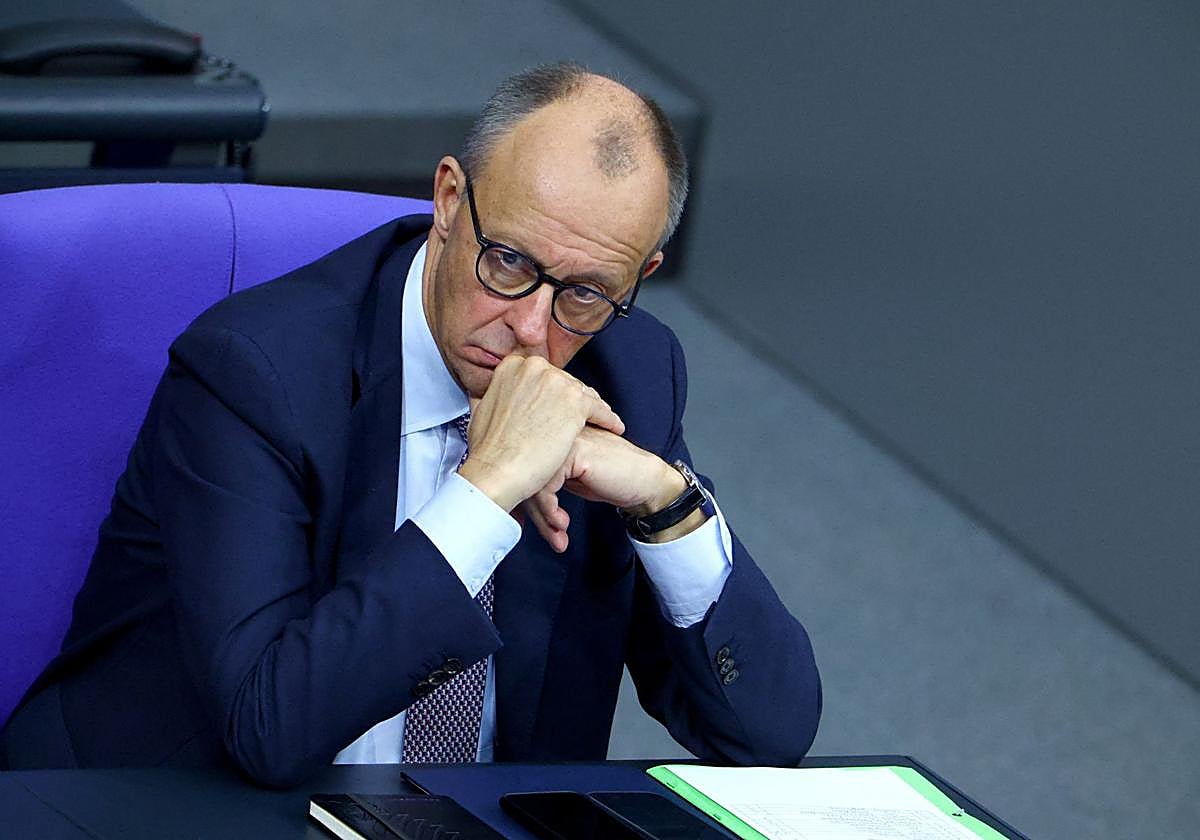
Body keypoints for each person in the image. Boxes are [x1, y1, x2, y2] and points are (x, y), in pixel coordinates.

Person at [1, 63, 820, 787]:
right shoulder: (253, 372)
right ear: (450, 200)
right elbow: (270, 730)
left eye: (584, 294)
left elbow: (766, 735)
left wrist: (665, 498)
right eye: (507, 263)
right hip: (174, 805)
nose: (533, 330)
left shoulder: (629, 372)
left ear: (638, 277)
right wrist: (486, 488)